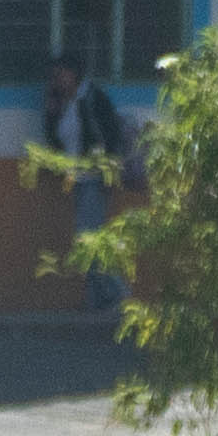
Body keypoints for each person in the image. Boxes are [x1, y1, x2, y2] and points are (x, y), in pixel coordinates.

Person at [34, 53, 136, 314]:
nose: (57, 80)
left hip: (95, 178)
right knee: (87, 240)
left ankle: (120, 296)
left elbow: (110, 136)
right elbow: (56, 141)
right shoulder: (62, 104)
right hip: (76, 179)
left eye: (61, 75)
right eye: (54, 76)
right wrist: (51, 114)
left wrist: (108, 173)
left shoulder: (93, 98)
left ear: (74, 74)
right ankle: (98, 302)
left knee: (89, 240)